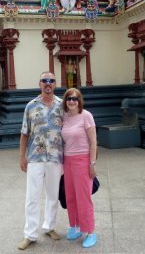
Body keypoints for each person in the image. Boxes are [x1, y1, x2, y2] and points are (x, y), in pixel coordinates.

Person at [18, 71, 64, 250]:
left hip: (55, 158)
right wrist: (22, 157)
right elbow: (24, 133)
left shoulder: (62, 105)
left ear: (55, 84)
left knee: (53, 195)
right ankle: (30, 234)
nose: (48, 83)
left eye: (51, 81)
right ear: (40, 84)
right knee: (32, 196)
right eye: (45, 80)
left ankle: (49, 226)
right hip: (35, 157)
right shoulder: (31, 106)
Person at [61, 88, 97, 248]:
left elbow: (93, 142)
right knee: (70, 196)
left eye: (75, 98)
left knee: (83, 197)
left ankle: (90, 231)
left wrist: (92, 163)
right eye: (69, 98)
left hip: (82, 160)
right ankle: (74, 226)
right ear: (65, 101)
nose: (72, 101)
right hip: (67, 161)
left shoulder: (86, 116)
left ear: (79, 100)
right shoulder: (65, 117)